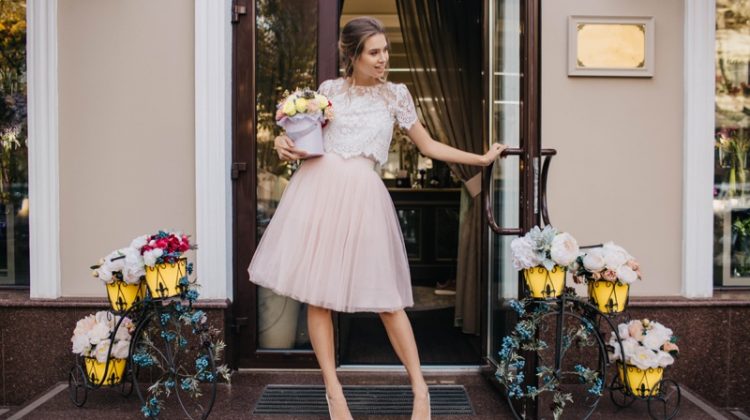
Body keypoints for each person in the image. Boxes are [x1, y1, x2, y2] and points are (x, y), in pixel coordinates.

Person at [248, 16, 507, 420]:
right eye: (374, 53)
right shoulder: (329, 91)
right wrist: (284, 142)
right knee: (318, 299)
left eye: (385, 51)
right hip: (317, 191)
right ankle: (334, 392)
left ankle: (420, 389)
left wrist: (479, 159)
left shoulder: (396, 96)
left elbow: (429, 145)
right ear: (353, 55)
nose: (383, 59)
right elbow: (305, 141)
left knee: (388, 301)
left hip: (363, 197)